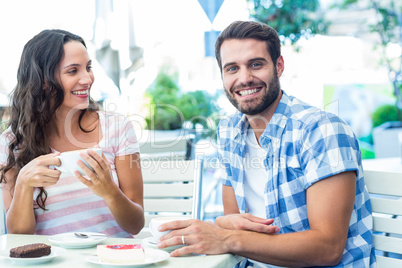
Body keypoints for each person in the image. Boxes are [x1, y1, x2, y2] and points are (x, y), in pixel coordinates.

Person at [156, 21, 376, 267]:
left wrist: (228, 237)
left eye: (256, 64)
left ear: (279, 66)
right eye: (232, 69)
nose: (244, 78)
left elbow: (327, 248)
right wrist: (222, 225)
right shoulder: (229, 131)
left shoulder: (320, 130)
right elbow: (233, 218)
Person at [0, 29, 144, 238]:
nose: (87, 79)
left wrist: (110, 192)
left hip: (113, 257)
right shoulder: (12, 143)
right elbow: (19, 236)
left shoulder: (118, 127)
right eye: (72, 71)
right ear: (43, 80)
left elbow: (136, 225)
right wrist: (23, 183)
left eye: (88, 68)